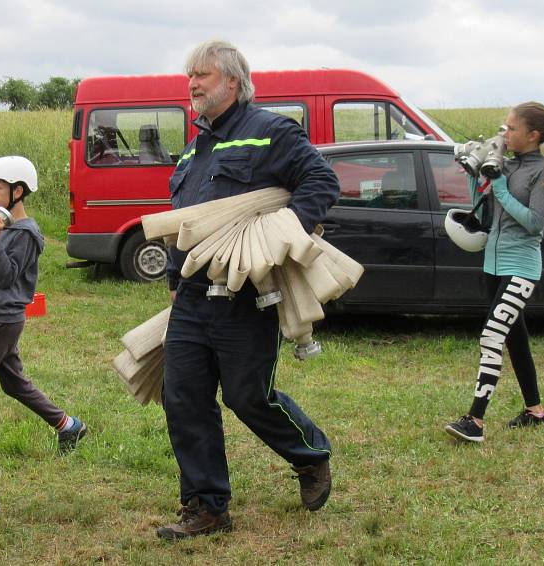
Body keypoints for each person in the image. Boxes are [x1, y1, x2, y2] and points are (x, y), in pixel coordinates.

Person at [156, 40, 340, 540]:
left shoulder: (272, 132)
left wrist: (279, 241)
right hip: (193, 297)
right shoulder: (195, 149)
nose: (192, 84)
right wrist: (176, 282)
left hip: (246, 296)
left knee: (246, 396)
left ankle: (311, 454)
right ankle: (207, 506)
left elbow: (321, 182)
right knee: (183, 397)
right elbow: (185, 224)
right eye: (189, 75)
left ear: (233, 82)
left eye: (203, 75)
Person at [0, 157, 86, 491]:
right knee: (14, 384)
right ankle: (69, 425)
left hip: (3, 319)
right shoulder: (6, 228)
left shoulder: (26, 233)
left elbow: (7, 276)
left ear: (18, 191)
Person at [445, 102, 544, 443]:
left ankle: (475, 421)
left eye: (512, 128)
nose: (505, 132)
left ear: (532, 135)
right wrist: (477, 178)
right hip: (494, 265)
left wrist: (498, 185)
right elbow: (487, 207)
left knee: (491, 336)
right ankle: (536, 412)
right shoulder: (508, 165)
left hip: (521, 268)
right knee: (515, 338)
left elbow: (533, 222)